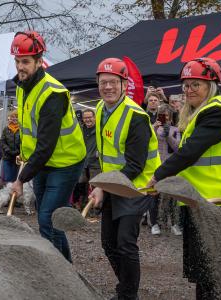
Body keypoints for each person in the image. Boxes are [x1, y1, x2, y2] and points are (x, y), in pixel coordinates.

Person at [146, 57, 221, 298]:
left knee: (220, 276)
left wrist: (158, 175)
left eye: (196, 84)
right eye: (186, 85)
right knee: (207, 277)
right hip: (206, 203)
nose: (189, 90)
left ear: (211, 85)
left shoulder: (218, 112)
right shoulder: (202, 113)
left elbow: (190, 151)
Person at [9, 31, 86, 261]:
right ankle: (66, 269)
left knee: (47, 219)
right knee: (52, 220)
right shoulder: (22, 86)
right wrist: (24, 157)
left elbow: (46, 145)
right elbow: (28, 129)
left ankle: (55, 271)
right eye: (17, 61)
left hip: (65, 162)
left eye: (25, 61)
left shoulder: (53, 93)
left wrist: (21, 179)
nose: (20, 67)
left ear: (39, 61)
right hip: (43, 162)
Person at [88, 58, 160, 299]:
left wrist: (102, 186)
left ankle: (128, 295)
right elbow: (106, 154)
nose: (108, 87)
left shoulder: (136, 116)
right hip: (113, 185)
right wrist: (102, 184)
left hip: (137, 186)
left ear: (123, 84)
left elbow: (135, 166)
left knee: (125, 242)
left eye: (113, 82)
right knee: (108, 243)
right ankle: (127, 288)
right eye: (103, 82)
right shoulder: (100, 109)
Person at [151, 104, 182, 236]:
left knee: (173, 197)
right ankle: (154, 223)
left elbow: (177, 147)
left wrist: (168, 134)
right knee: (154, 196)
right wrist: (154, 128)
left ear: (171, 117)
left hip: (171, 167)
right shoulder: (153, 128)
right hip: (156, 165)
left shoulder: (176, 129)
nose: (165, 119)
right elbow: (147, 142)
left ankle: (174, 224)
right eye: (162, 116)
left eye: (167, 116)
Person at [73, 109, 100, 211]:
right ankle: (82, 205)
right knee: (81, 184)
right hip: (82, 162)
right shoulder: (79, 129)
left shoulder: (99, 129)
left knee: (95, 186)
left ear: (94, 118)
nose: (88, 120)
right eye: (85, 118)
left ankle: (95, 209)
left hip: (95, 163)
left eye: (90, 117)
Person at [0, 110, 21, 185]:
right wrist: (8, 150)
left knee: (17, 179)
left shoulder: (22, 129)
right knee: (7, 179)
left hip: (18, 158)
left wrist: (18, 151)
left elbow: (24, 141)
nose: (14, 118)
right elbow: (2, 141)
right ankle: (8, 192)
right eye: (13, 117)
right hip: (7, 157)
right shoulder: (6, 129)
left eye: (16, 117)